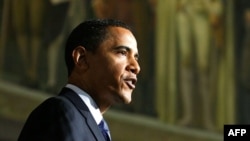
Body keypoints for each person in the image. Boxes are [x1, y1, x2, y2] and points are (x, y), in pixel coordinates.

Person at [17, 19, 140, 141]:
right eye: (122, 52)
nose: (136, 67)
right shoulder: (60, 111)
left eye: (136, 57)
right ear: (82, 59)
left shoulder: (98, 127)